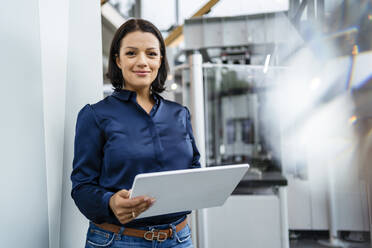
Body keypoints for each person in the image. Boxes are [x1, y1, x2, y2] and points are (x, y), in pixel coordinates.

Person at [71, 18, 200, 248]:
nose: (142, 62)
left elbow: (193, 171)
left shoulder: (179, 114)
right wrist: (109, 202)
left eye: (151, 54)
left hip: (178, 239)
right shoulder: (95, 116)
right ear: (118, 60)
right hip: (117, 241)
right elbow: (81, 187)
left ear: (160, 60)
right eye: (131, 53)